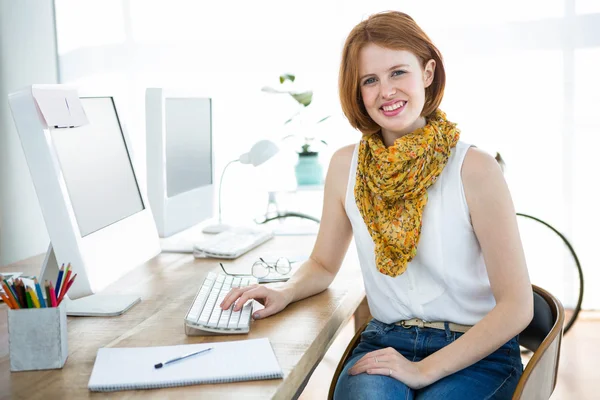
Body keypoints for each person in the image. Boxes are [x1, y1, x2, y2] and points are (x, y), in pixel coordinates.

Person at [220, 10, 532, 399]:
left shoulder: (476, 168)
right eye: (370, 80)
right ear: (358, 91)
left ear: (428, 73)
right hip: (386, 341)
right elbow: (322, 264)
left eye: (398, 72)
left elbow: (518, 306)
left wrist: (422, 370)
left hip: (476, 352)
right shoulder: (344, 166)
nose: (386, 91)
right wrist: (285, 290)